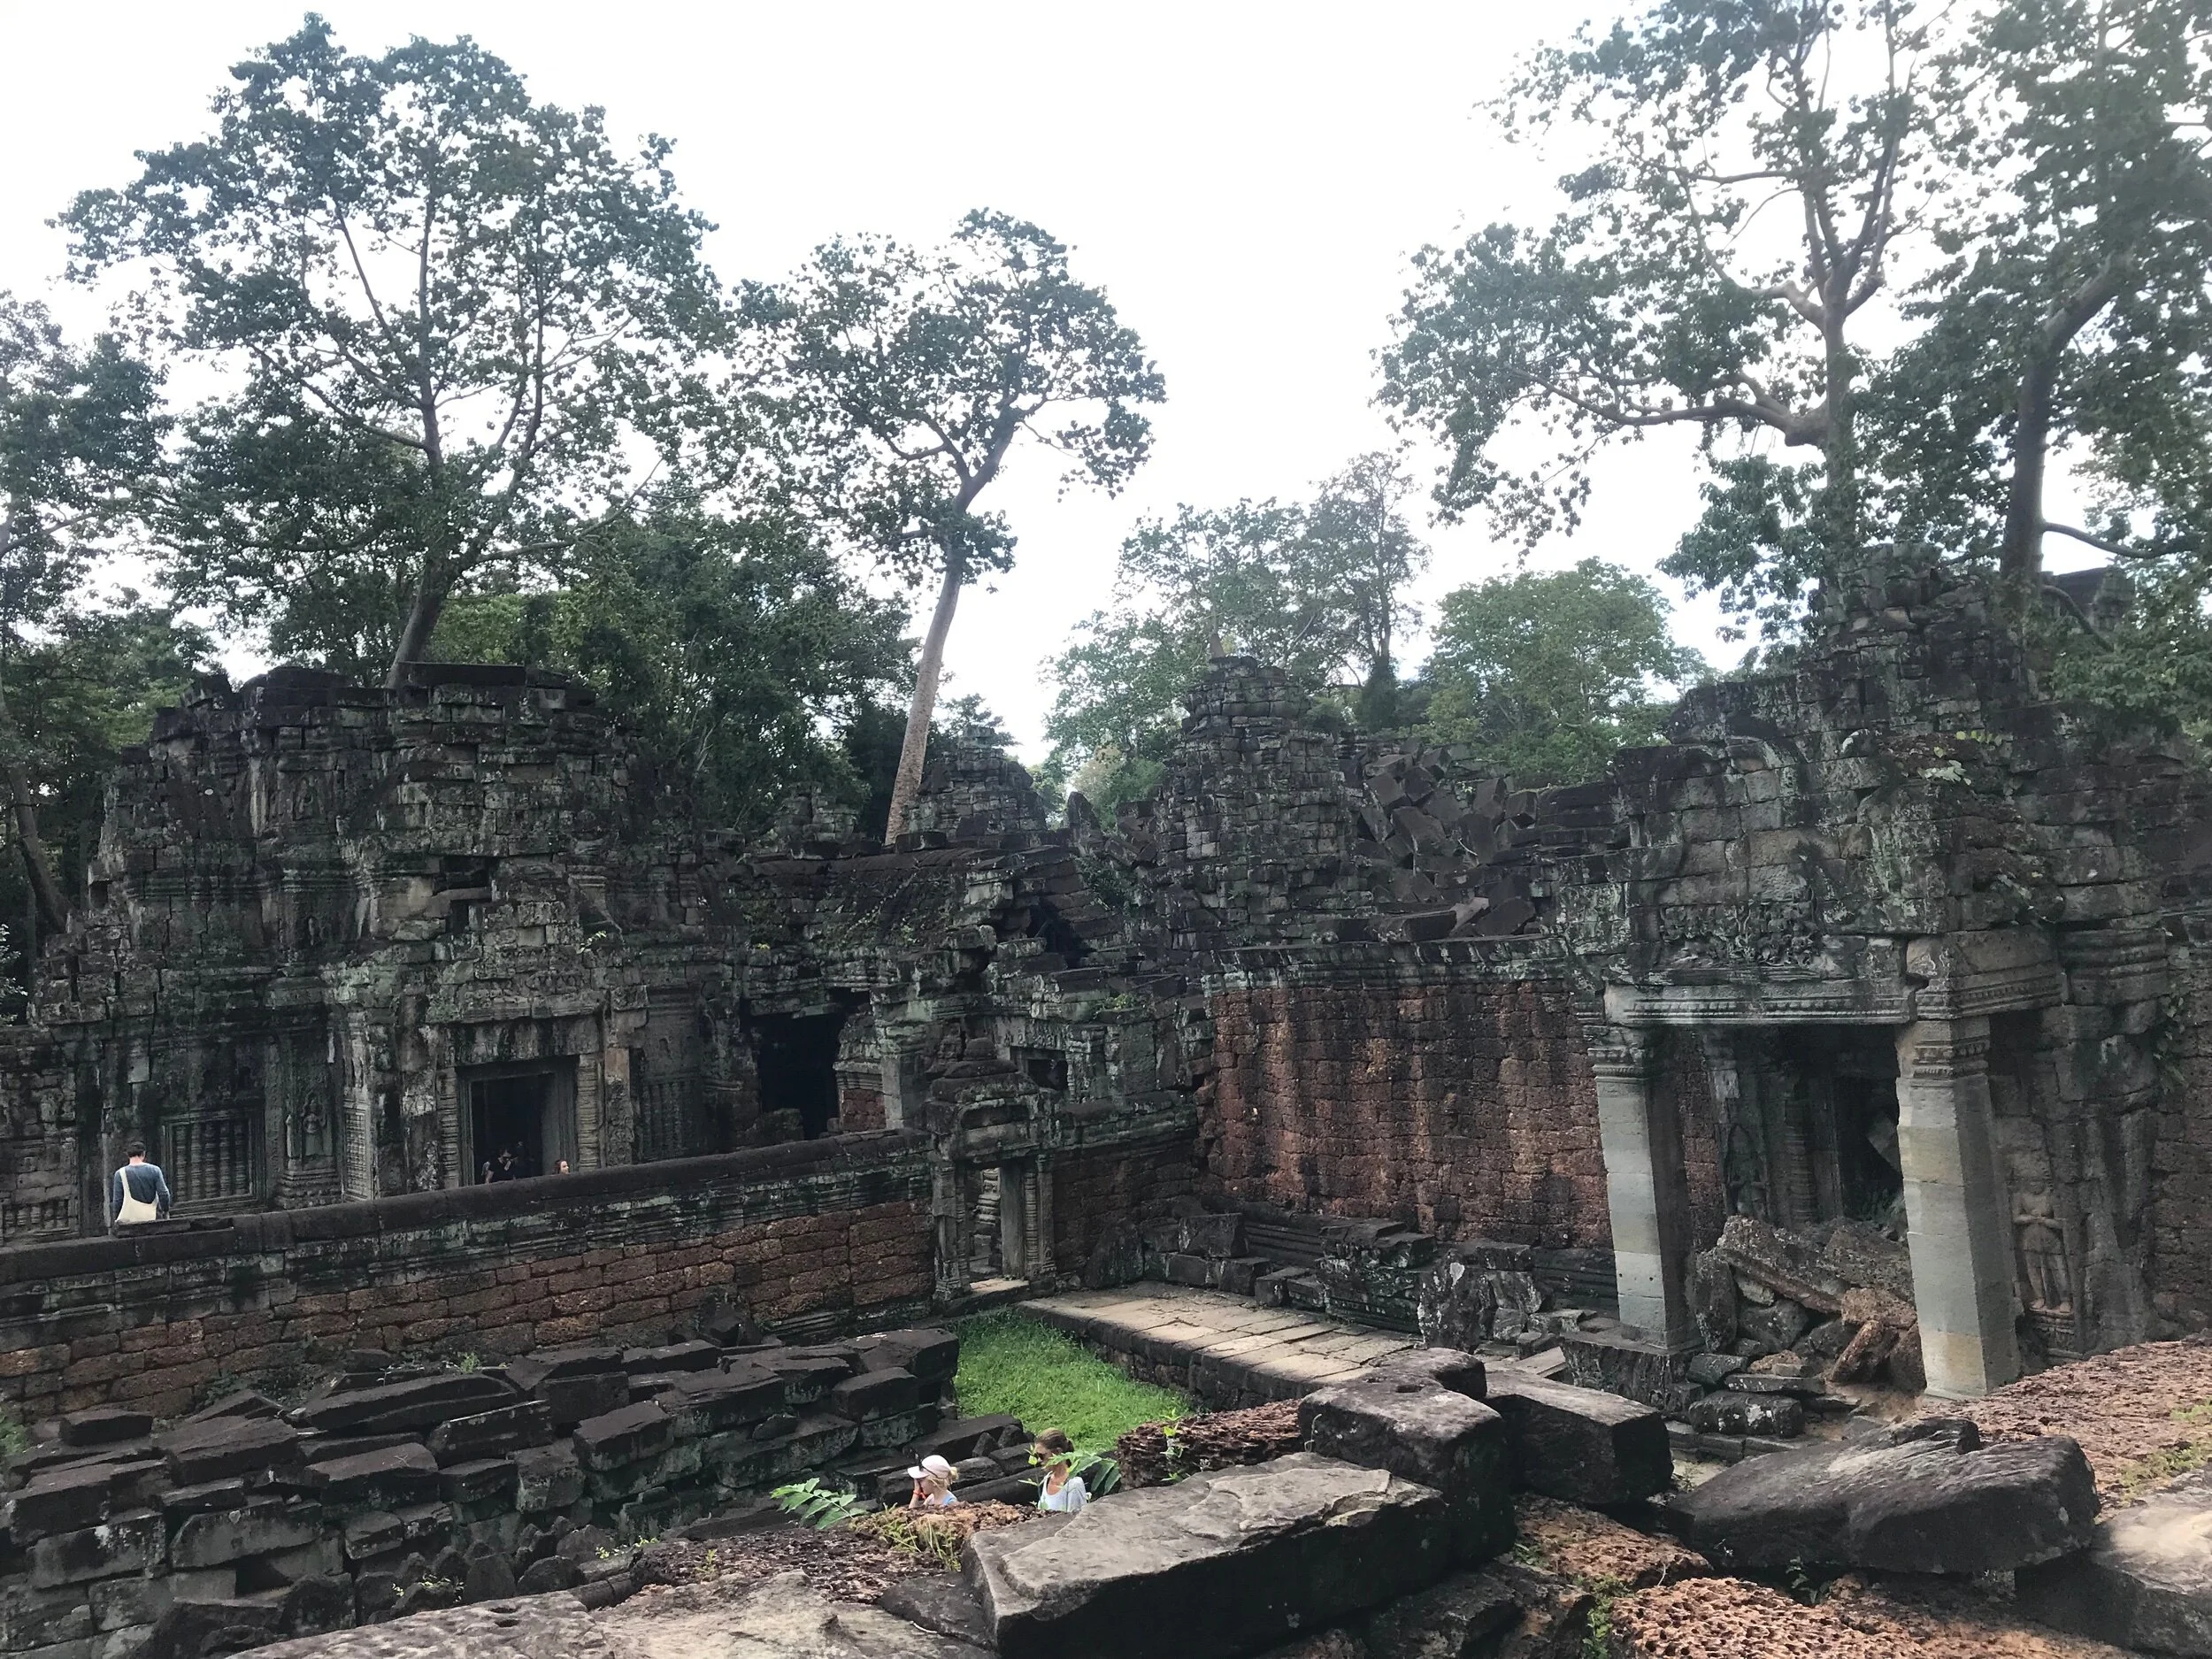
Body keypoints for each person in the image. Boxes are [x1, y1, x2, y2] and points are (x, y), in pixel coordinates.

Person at [110, 1142, 173, 1229]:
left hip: (130, 1223)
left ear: (128, 1155)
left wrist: (116, 1218)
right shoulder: (155, 1170)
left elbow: (117, 1201)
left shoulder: (120, 1174)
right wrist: (165, 1212)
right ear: (143, 1154)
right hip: (153, 1220)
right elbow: (164, 1194)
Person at [1031, 1429, 1088, 1514]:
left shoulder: (1073, 1484)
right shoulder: (1047, 1479)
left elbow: (1075, 1520)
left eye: (1042, 1455)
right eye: (1037, 1456)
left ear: (1057, 1452)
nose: (1039, 1460)